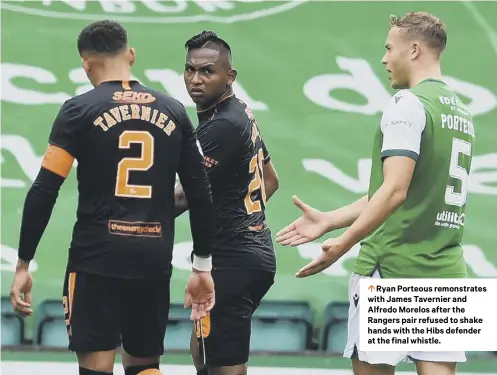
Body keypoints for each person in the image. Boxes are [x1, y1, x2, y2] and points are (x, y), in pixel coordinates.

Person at [10, 20, 216, 375]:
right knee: (144, 363)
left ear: (86, 65)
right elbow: (200, 191)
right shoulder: (173, 111)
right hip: (152, 257)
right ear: (131, 55)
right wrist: (202, 266)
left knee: (96, 364)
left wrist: (24, 264)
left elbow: (45, 188)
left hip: (96, 258)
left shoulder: (78, 110)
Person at [276, 12, 474, 375]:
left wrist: (343, 243)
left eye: (389, 49)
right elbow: (400, 190)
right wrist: (330, 219)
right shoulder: (461, 112)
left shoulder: (408, 104)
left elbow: (395, 190)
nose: (384, 59)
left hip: (392, 266)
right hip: (445, 269)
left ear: (413, 50)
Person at [174, 31, 280, 375]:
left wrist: (130, 221)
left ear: (229, 76)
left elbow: (181, 198)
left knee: (222, 365)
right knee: (202, 352)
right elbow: (271, 180)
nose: (196, 79)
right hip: (249, 251)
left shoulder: (220, 127)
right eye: (190, 70)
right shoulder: (241, 113)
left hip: (233, 258)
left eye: (207, 71)